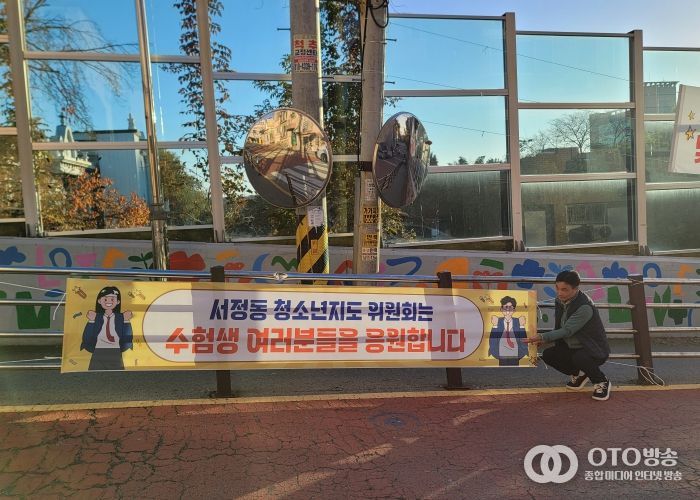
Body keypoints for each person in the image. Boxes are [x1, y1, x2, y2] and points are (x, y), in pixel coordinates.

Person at [523, 270, 612, 401]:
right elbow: (559, 327)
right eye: (557, 288)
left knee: (580, 358)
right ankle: (580, 374)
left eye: (564, 289)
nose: (559, 293)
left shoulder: (584, 307)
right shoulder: (560, 301)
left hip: (593, 349)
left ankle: (601, 381)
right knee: (548, 355)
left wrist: (542, 337)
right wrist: (545, 340)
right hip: (571, 347)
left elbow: (567, 330)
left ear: (575, 288)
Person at [80, 286, 133, 370]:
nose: (108, 302)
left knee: (117, 374)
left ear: (118, 302)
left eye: (112, 299)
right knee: (95, 372)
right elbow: (86, 337)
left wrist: (126, 321)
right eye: (105, 299)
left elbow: (127, 336)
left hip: (115, 350)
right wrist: (91, 321)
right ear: (99, 301)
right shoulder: (96, 317)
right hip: (98, 350)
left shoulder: (121, 317)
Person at [488, 296, 528, 366]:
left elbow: (523, 339)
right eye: (505, 307)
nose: (508, 310)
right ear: (501, 309)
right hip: (501, 355)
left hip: (515, 355)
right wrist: (494, 326)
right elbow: (493, 340)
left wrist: (522, 326)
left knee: (515, 370)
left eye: (510, 308)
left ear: (514, 310)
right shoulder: (497, 321)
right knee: (502, 370)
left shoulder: (518, 321)